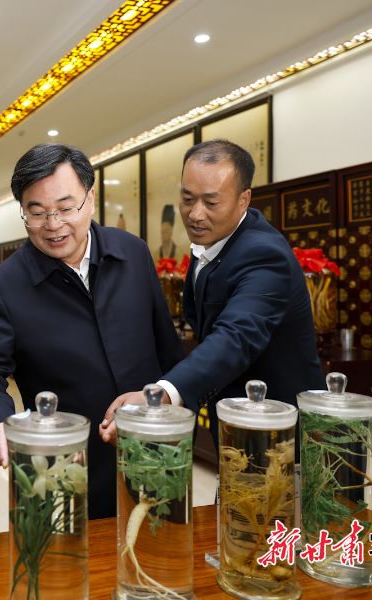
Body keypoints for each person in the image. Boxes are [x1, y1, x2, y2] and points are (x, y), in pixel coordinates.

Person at [0, 143, 185, 520]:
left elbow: (168, 350)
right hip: (67, 475)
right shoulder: (3, 286)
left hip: (157, 457)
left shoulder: (132, 252)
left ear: (90, 199)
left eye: (65, 208)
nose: (53, 225)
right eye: (37, 213)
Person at [101, 139, 325, 453]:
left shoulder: (264, 254)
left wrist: (163, 394)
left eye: (211, 202)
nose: (195, 214)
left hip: (281, 431)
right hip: (236, 420)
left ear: (244, 200)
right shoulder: (213, 241)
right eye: (187, 199)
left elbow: (235, 336)